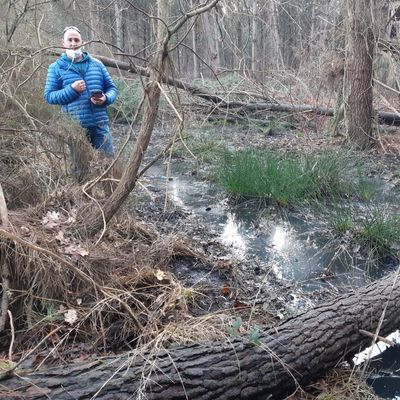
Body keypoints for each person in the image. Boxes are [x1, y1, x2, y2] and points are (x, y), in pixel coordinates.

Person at [44, 26, 118, 158]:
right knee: (80, 170)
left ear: (83, 42)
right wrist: (72, 90)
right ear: (63, 43)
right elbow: (49, 96)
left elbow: (112, 89)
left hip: (100, 125)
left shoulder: (97, 64)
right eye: (70, 40)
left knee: (108, 165)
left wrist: (105, 98)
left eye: (76, 40)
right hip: (75, 128)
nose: (73, 43)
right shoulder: (56, 68)